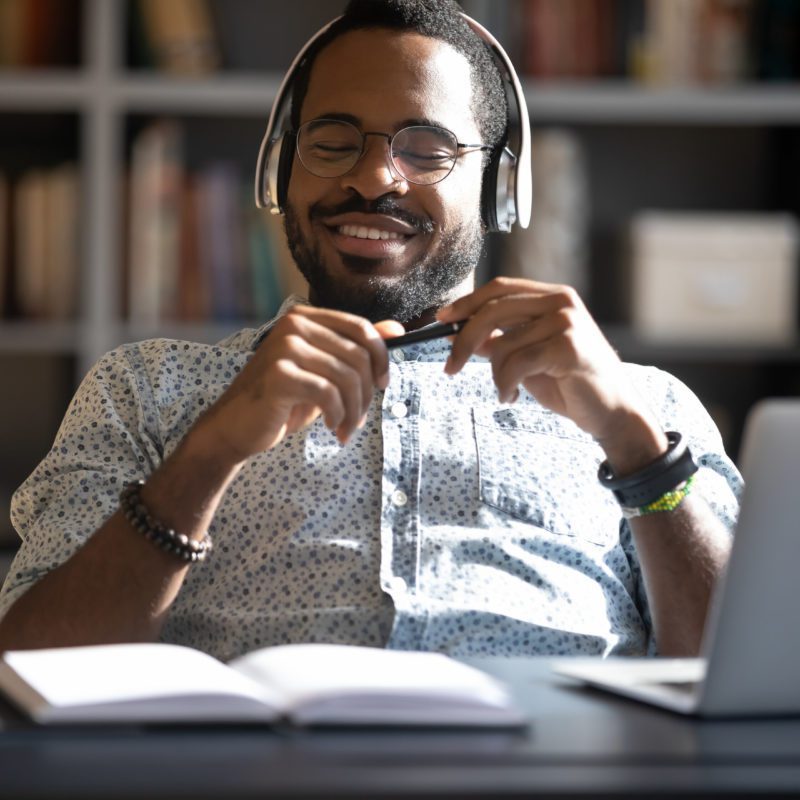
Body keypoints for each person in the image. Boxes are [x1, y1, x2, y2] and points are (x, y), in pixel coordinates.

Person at [0, 0, 739, 661]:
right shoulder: (146, 389)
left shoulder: (644, 408)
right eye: (332, 140)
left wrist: (642, 456)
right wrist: (209, 455)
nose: (376, 178)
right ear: (281, 172)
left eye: (427, 148)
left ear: (499, 187)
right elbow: (24, 672)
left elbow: (757, 684)